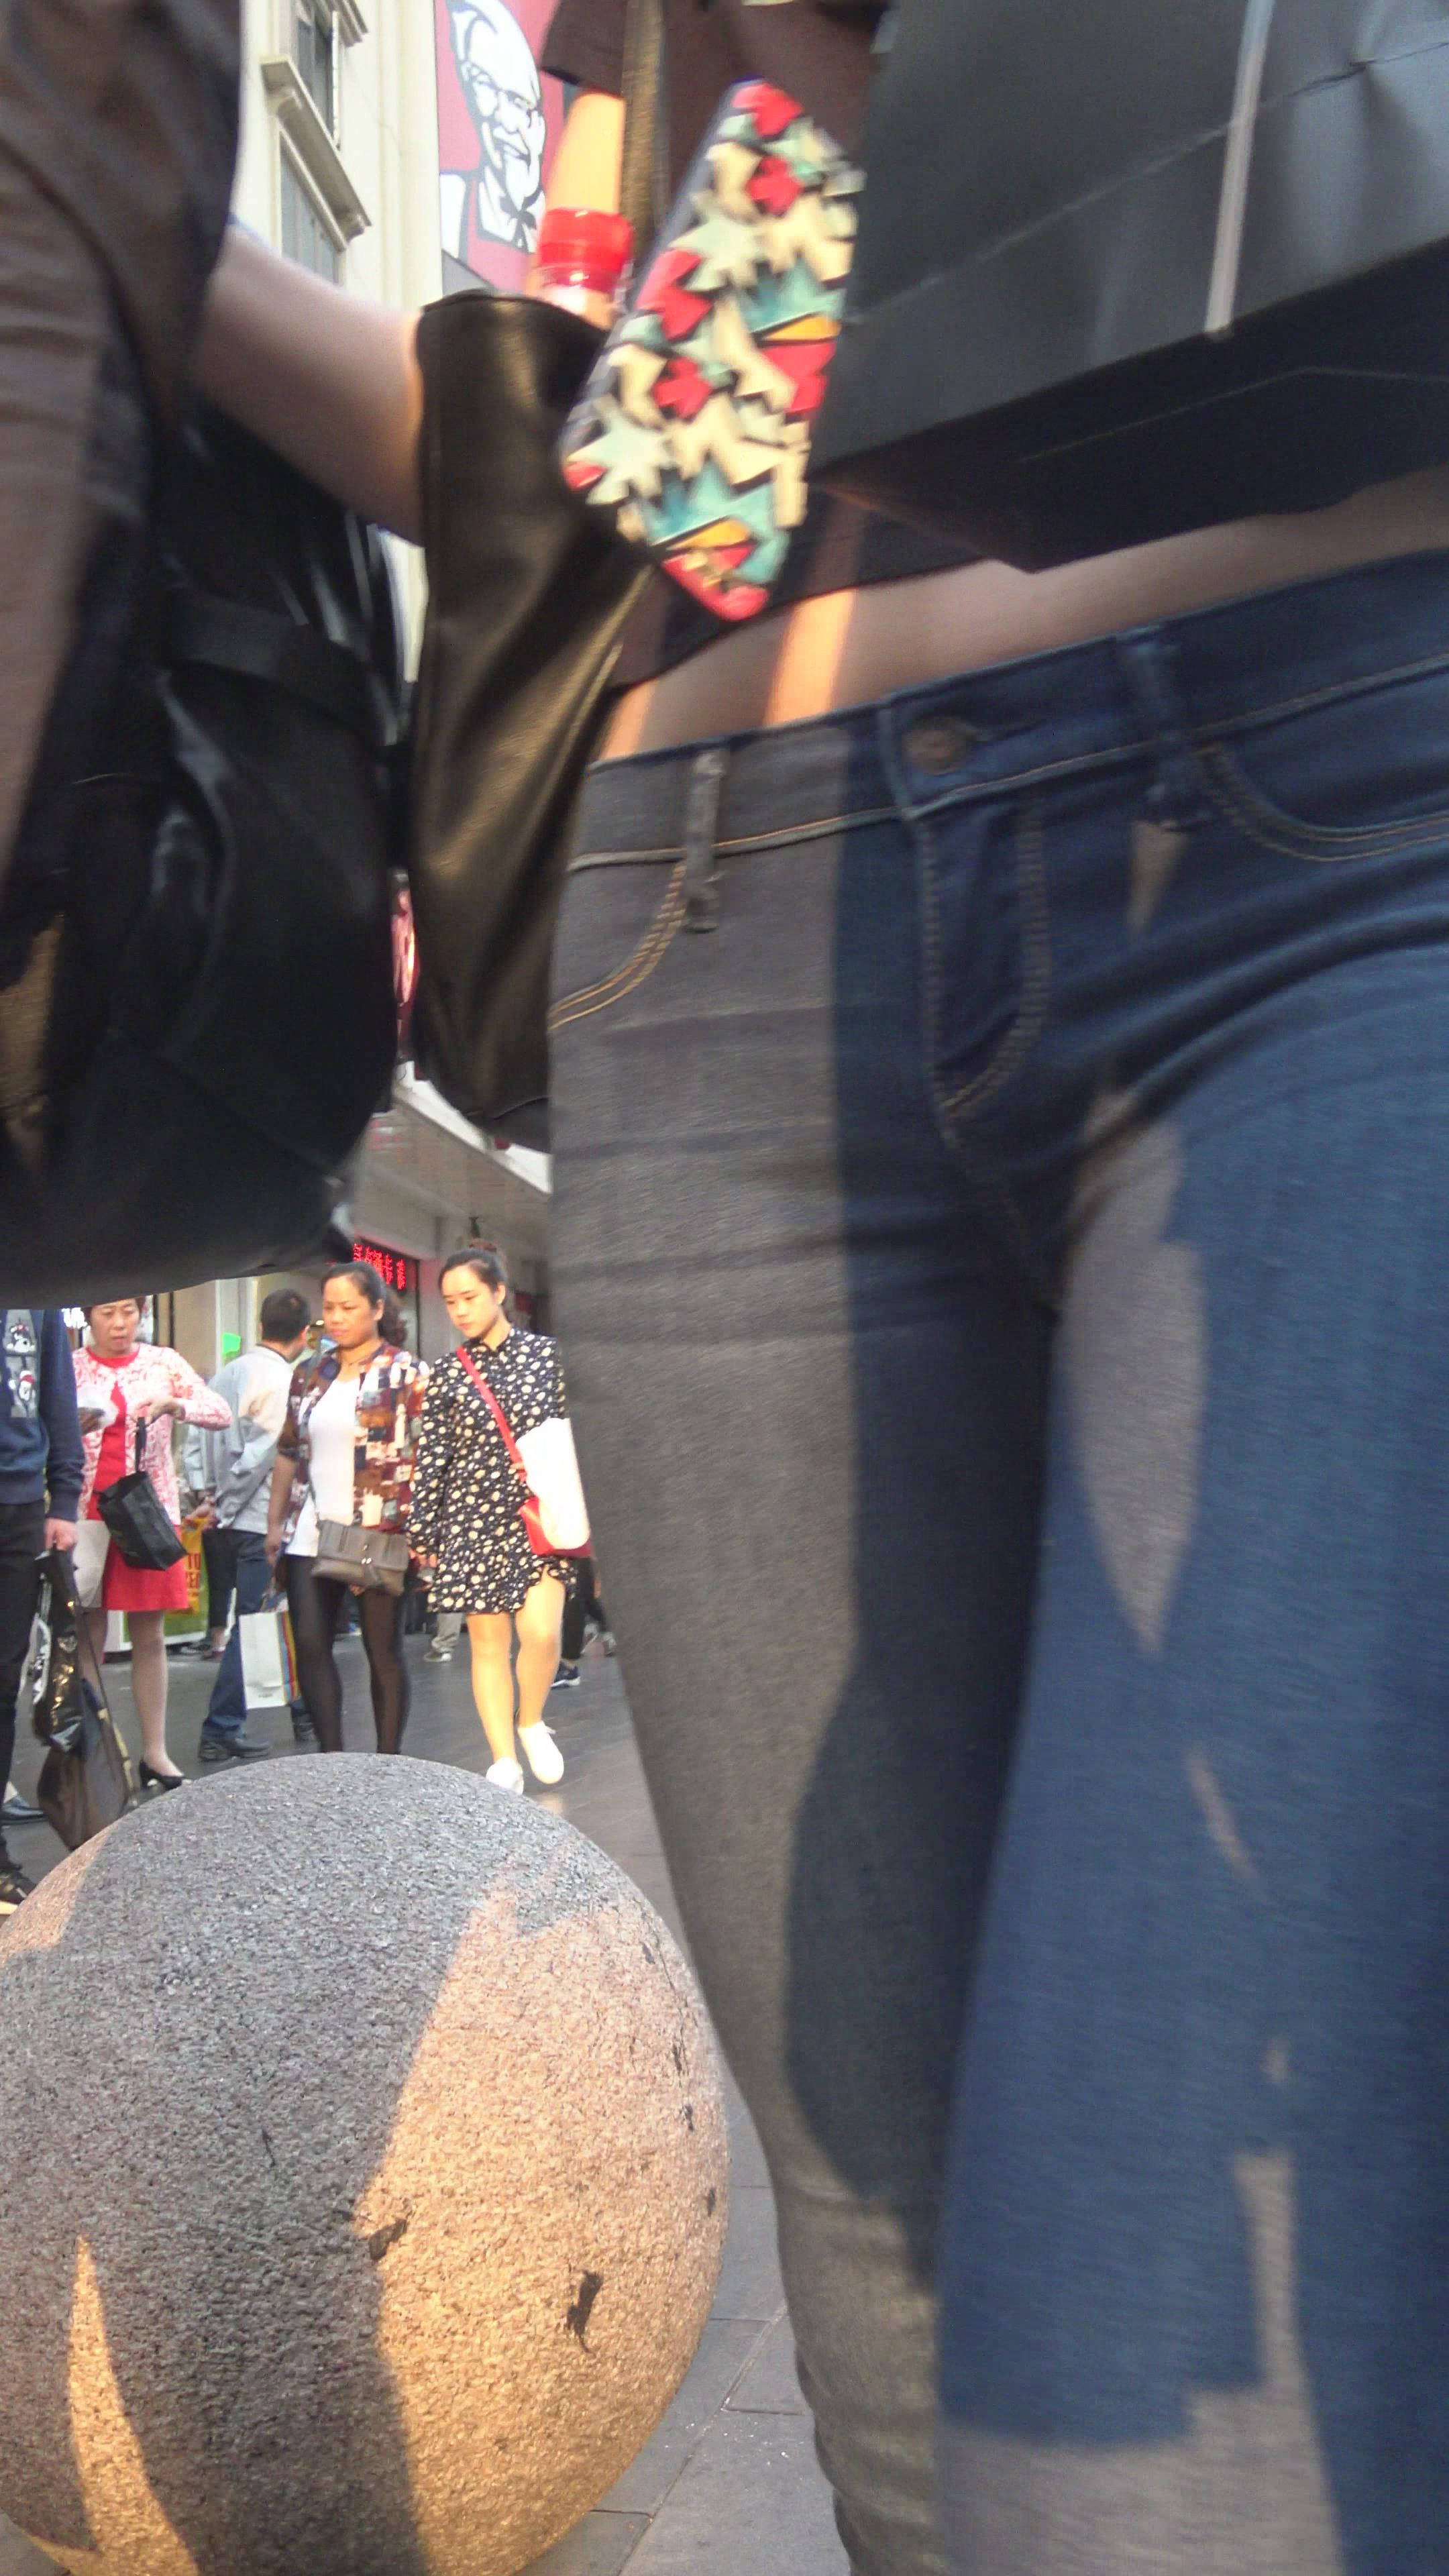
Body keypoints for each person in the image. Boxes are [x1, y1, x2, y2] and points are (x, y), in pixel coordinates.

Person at [194, 19, 1449, 2565]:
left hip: (1319, 804)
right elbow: (707, 417)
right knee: (894, 2340)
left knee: (1168, 2357)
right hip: (719, 893)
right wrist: (130, 220)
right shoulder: (734, 134)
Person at [410, 1248, 570, 1792]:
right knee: (487, 1645)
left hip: (540, 1514)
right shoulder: (448, 1373)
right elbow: (434, 1455)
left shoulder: (550, 1357)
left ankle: (531, 1719)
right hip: (471, 1517)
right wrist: (424, 1528)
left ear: (500, 1292)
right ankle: (504, 1758)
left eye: (470, 1297)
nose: (460, 1310)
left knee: (541, 1632)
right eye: (450, 1301)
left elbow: (577, 1438)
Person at [265, 1263, 428, 1756]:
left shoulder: (407, 1372)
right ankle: (332, 1757)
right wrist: (274, 1524)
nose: (336, 1318)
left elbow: (426, 1455)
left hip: (380, 1530)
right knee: (311, 1645)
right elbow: (288, 1451)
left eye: (348, 1308)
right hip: (310, 1530)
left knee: (383, 1651)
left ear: (376, 1309)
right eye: (330, 1308)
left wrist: (422, 1531)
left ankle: (388, 1760)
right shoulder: (310, 1373)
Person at [73, 1299, 231, 1792]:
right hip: (84, 1510)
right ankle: (93, 1751)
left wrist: (176, 1405)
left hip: (145, 1511)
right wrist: (69, 1429)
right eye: (107, 1313)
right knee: (86, 1634)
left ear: (142, 1313)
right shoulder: (72, 1367)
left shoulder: (163, 1361)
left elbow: (220, 1412)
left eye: (129, 1312)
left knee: (150, 1633)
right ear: (88, 1317)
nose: (120, 1324)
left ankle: (156, 1753)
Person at [182, 1289, 313, 1762]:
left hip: (224, 1519)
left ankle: (304, 1710)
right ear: (304, 1334)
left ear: (260, 1326)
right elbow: (263, 1458)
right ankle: (221, 1726)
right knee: (257, 1622)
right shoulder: (283, 1381)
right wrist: (227, 1504)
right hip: (258, 1519)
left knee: (278, 1615)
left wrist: (205, 1496)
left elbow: (195, 1441)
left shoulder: (226, 1374)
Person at [0, 1311, 85, 1908]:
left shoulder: (36, 1291)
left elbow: (58, 1395)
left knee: (3, 1681)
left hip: (20, 1505)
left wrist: (65, 1498)